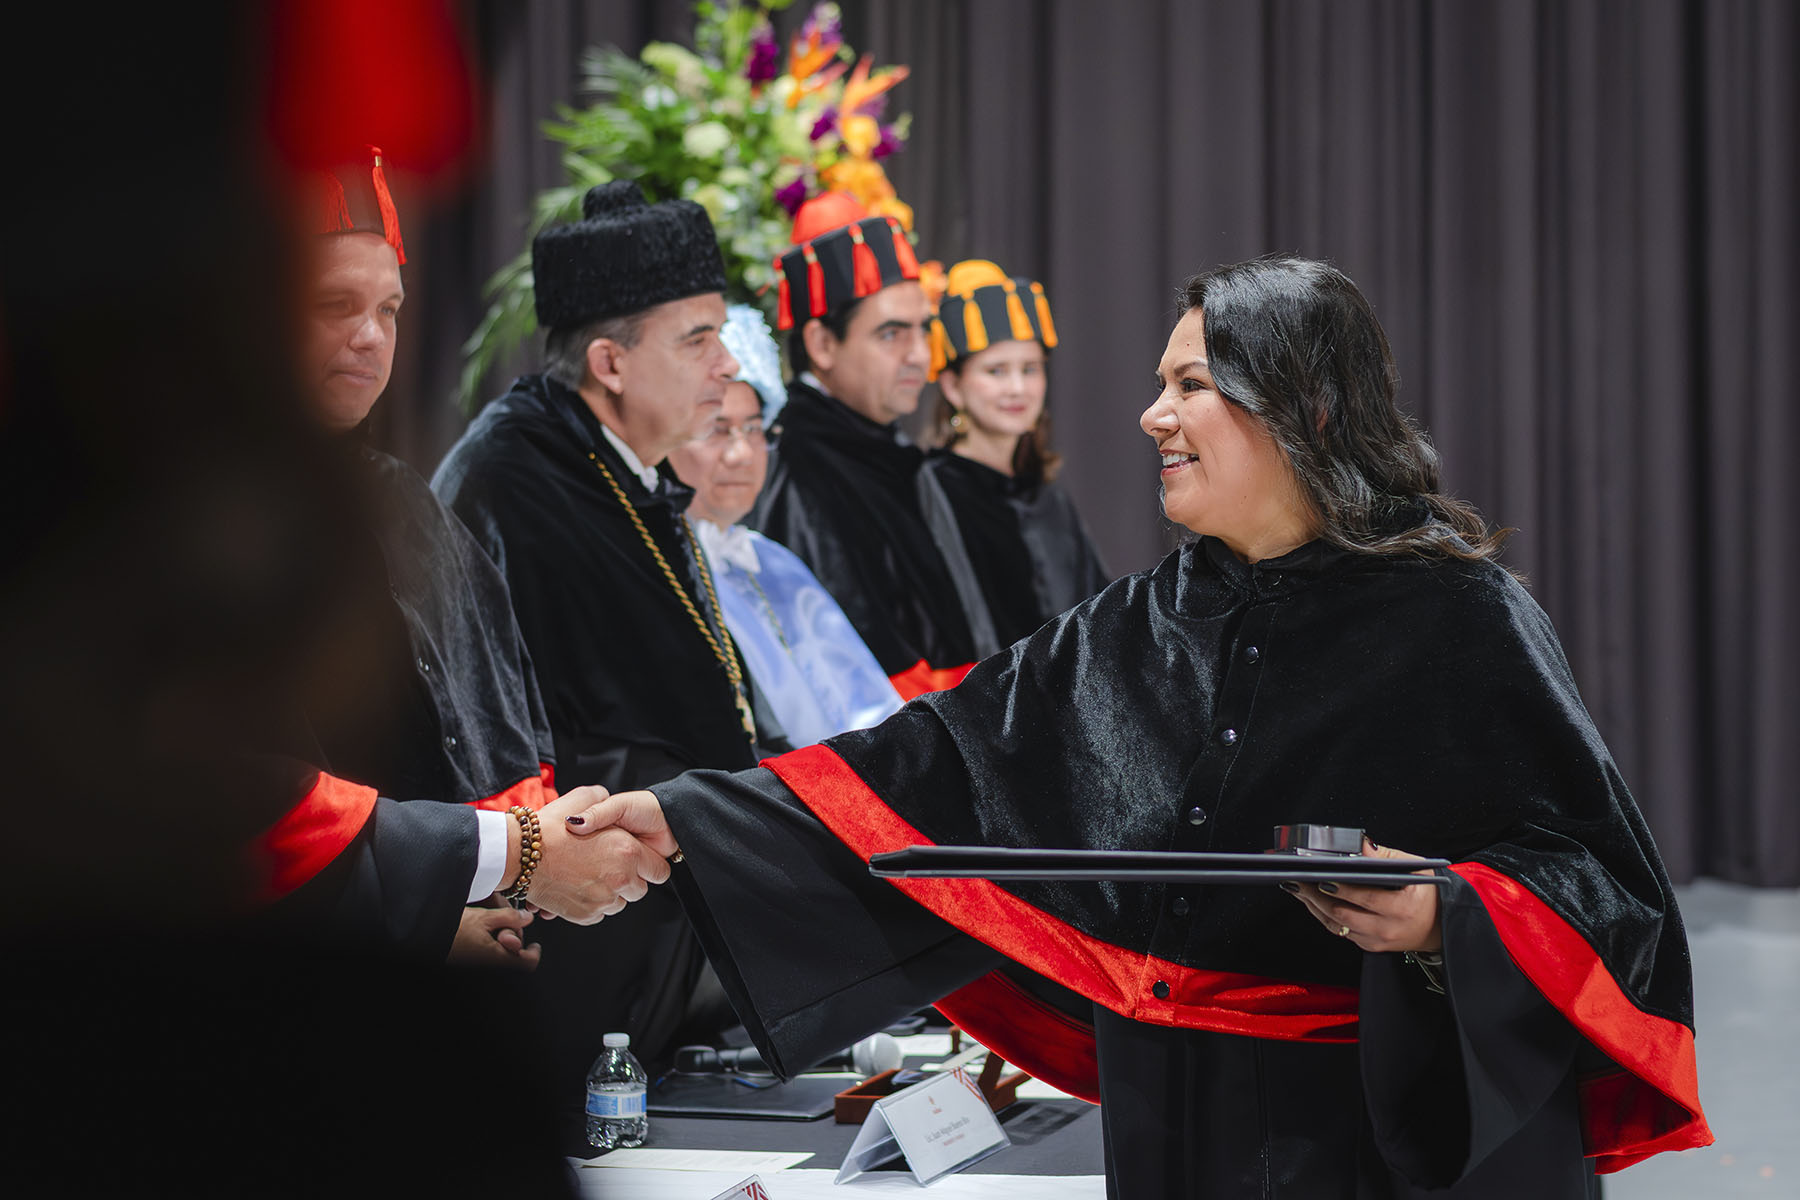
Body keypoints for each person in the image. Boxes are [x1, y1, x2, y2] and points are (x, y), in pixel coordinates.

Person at [571, 257, 1712, 1196]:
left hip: (1367, 1133)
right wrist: (688, 820)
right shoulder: (1147, 617)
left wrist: (1439, 918)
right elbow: (926, 762)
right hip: (1175, 1115)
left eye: (1191, 384)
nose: (1149, 414)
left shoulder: (1462, 614)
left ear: (1307, 407)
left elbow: (1604, 887)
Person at [433, 180, 750, 1091]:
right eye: (697, 339)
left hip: (655, 937)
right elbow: (501, 738)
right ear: (610, 362)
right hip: (568, 943)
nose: (726, 363)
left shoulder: (625, 471)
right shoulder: (510, 479)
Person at [296, 148, 571, 969]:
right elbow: (227, 809)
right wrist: (421, 930)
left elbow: (502, 709)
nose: (371, 336)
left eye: (389, 309)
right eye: (335, 305)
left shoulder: (403, 498)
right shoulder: (191, 517)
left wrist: (515, 877)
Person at [751, 193, 996, 696]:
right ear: (822, 344)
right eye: (890, 334)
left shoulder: (887, 452)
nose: (919, 355)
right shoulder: (793, 470)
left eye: (923, 330)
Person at [667, 304, 903, 748]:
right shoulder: (663, 569)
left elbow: (871, 708)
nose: (742, 454)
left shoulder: (773, 561)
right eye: (718, 429)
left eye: (754, 429)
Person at [920, 259, 1110, 647]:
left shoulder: (1046, 494)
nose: (1018, 388)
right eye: (996, 371)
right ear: (953, 387)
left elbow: (1098, 612)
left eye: (1030, 369)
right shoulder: (931, 491)